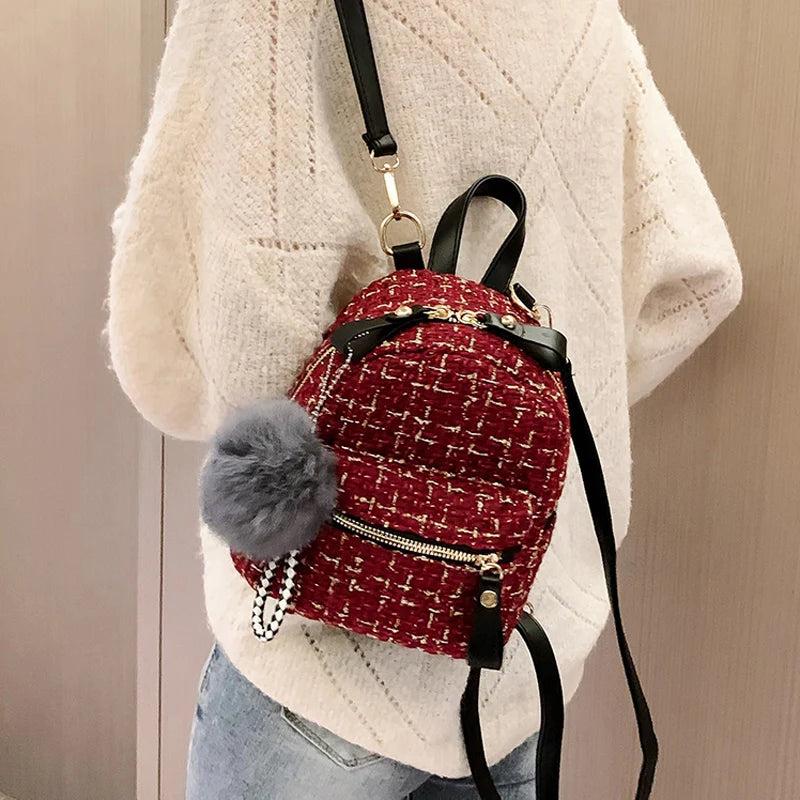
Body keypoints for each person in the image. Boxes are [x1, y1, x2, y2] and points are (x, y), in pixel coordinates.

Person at [107, 1, 742, 797]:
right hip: (517, 626)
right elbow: (697, 278)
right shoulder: (583, 10)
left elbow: (189, 357)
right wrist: (508, 429)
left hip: (324, 664)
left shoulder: (264, 12)